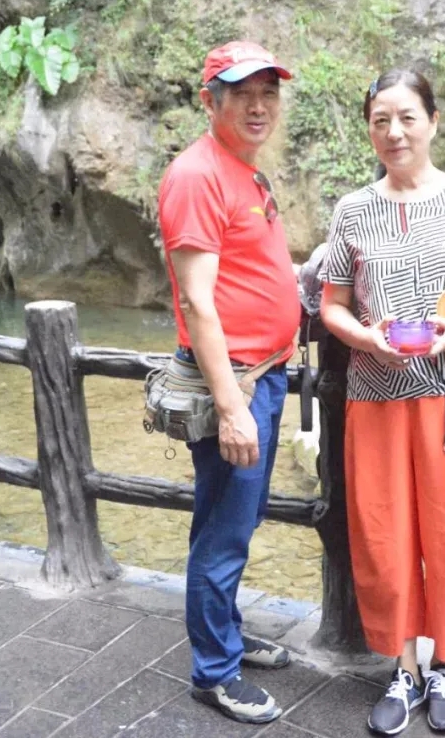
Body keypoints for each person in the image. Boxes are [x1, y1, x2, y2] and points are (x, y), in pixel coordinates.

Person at [318, 69, 445, 735]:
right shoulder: (352, 211)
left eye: (407, 117)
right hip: (375, 397)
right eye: (380, 120)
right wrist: (365, 338)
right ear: (369, 129)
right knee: (383, 537)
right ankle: (403, 670)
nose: (394, 132)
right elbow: (332, 304)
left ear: (433, 121)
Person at [156, 40, 300, 725]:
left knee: (236, 520)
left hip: (263, 375)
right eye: (242, 93)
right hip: (234, 386)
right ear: (209, 100)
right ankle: (214, 671)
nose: (258, 105)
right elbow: (197, 301)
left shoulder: (245, 171)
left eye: (268, 92)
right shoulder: (197, 175)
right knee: (223, 530)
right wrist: (231, 407)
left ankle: (228, 636)